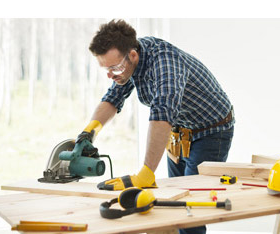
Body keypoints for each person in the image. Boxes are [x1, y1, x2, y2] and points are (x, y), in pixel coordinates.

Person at [78, 19, 234, 234]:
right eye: (106, 69)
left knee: (192, 210)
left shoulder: (166, 64)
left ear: (133, 55)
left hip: (211, 132)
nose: (111, 75)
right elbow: (113, 98)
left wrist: (147, 173)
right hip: (181, 133)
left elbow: (162, 115)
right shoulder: (128, 64)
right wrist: (89, 132)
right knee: (175, 201)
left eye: (114, 68)